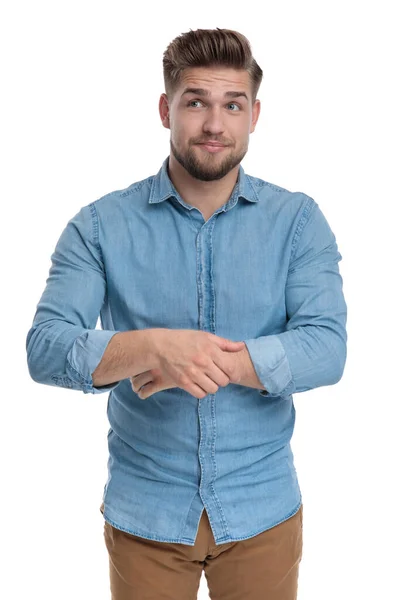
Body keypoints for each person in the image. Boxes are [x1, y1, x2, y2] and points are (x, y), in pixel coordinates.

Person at [26, 27, 347, 600]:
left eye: (233, 105)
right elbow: (46, 346)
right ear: (165, 109)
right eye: (196, 102)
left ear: (254, 115)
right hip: (144, 514)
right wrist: (152, 348)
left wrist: (215, 359)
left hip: (262, 510)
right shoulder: (99, 225)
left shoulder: (299, 221)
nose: (214, 124)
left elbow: (327, 347)